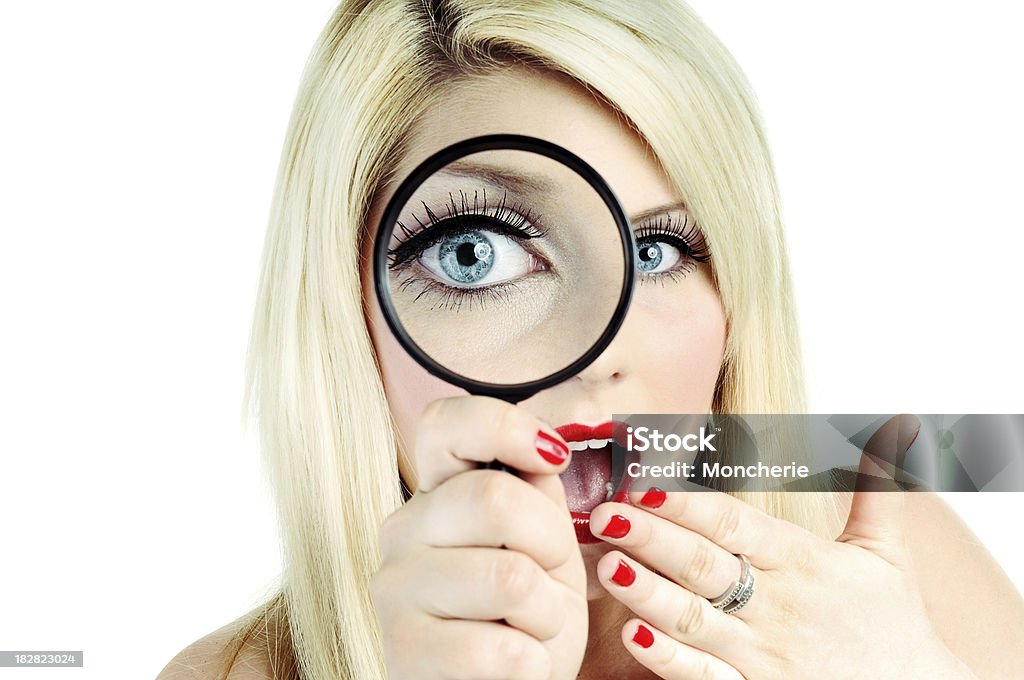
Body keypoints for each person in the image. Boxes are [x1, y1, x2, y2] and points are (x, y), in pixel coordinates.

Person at [156, 1, 1024, 678]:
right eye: (475, 252)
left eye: (660, 250)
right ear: (346, 314)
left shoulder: (872, 564)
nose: (601, 354)